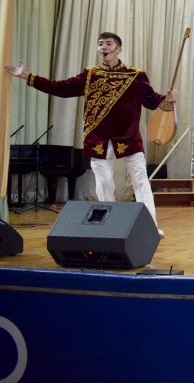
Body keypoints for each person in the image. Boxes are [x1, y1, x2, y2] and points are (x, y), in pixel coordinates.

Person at [4, 32, 177, 237]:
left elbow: (152, 100)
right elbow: (60, 88)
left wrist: (167, 99)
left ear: (119, 49)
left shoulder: (135, 76)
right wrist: (27, 76)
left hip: (128, 137)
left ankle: (150, 228)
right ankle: (111, 228)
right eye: (100, 44)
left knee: (141, 181)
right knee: (104, 184)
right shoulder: (90, 75)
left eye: (108, 44)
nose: (103, 47)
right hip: (98, 138)